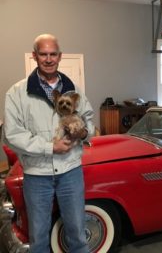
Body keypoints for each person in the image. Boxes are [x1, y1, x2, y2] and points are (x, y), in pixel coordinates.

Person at [4, 34, 94, 253]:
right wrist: (50, 147)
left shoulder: (74, 90)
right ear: (34, 56)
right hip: (37, 174)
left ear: (60, 56)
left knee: (78, 234)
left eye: (53, 54)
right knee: (38, 238)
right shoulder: (17, 93)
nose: (48, 59)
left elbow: (89, 121)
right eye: (43, 54)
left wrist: (83, 133)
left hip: (70, 171)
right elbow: (12, 134)